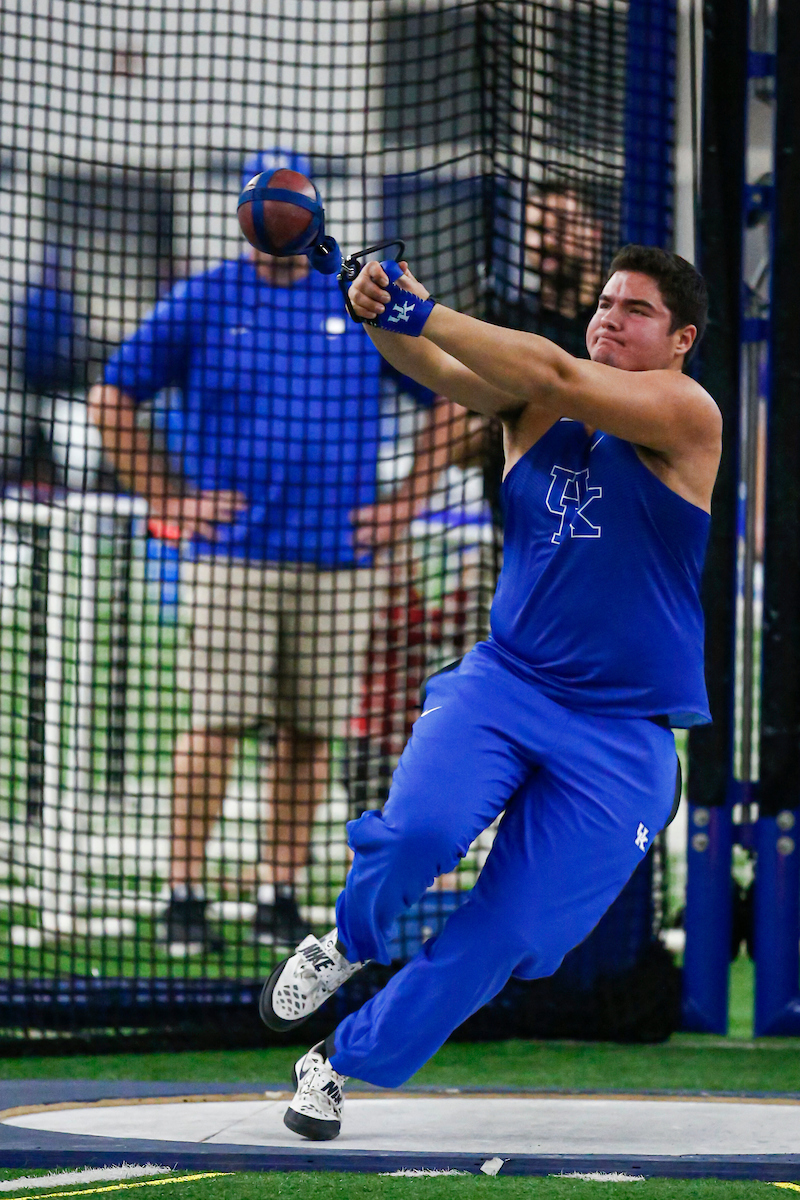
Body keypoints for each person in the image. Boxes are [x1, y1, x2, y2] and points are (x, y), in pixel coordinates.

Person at [260, 243, 720, 1140]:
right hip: (505, 687)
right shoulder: (535, 405)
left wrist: (418, 308)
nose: (607, 319)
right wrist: (377, 310)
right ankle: (348, 943)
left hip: (623, 739)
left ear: (681, 341)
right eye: (603, 303)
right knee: (420, 833)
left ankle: (336, 1063)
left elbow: (544, 363)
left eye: (634, 311)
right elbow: (431, 362)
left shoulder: (685, 411)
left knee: (508, 935)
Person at [88, 149, 466, 955]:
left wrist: (403, 505)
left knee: (307, 733)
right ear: (249, 217)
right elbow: (111, 397)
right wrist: (167, 500)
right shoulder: (204, 297)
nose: (280, 220)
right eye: (270, 207)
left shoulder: (352, 301)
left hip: (339, 560)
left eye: (290, 205)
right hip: (234, 556)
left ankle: (279, 892)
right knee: (217, 725)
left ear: (311, 216)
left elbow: (448, 400)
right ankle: (183, 895)